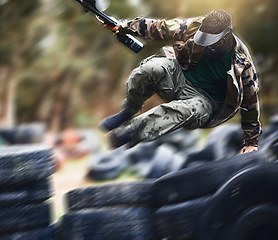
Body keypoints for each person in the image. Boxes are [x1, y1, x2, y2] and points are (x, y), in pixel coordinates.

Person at [99, 9, 261, 154]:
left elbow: (251, 103)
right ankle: (129, 110)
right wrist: (124, 26)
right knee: (150, 68)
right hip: (179, 76)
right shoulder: (196, 26)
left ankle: (129, 133)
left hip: (205, 101)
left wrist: (251, 142)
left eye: (210, 42)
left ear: (225, 37)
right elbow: (160, 28)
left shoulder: (241, 62)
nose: (204, 44)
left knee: (183, 110)